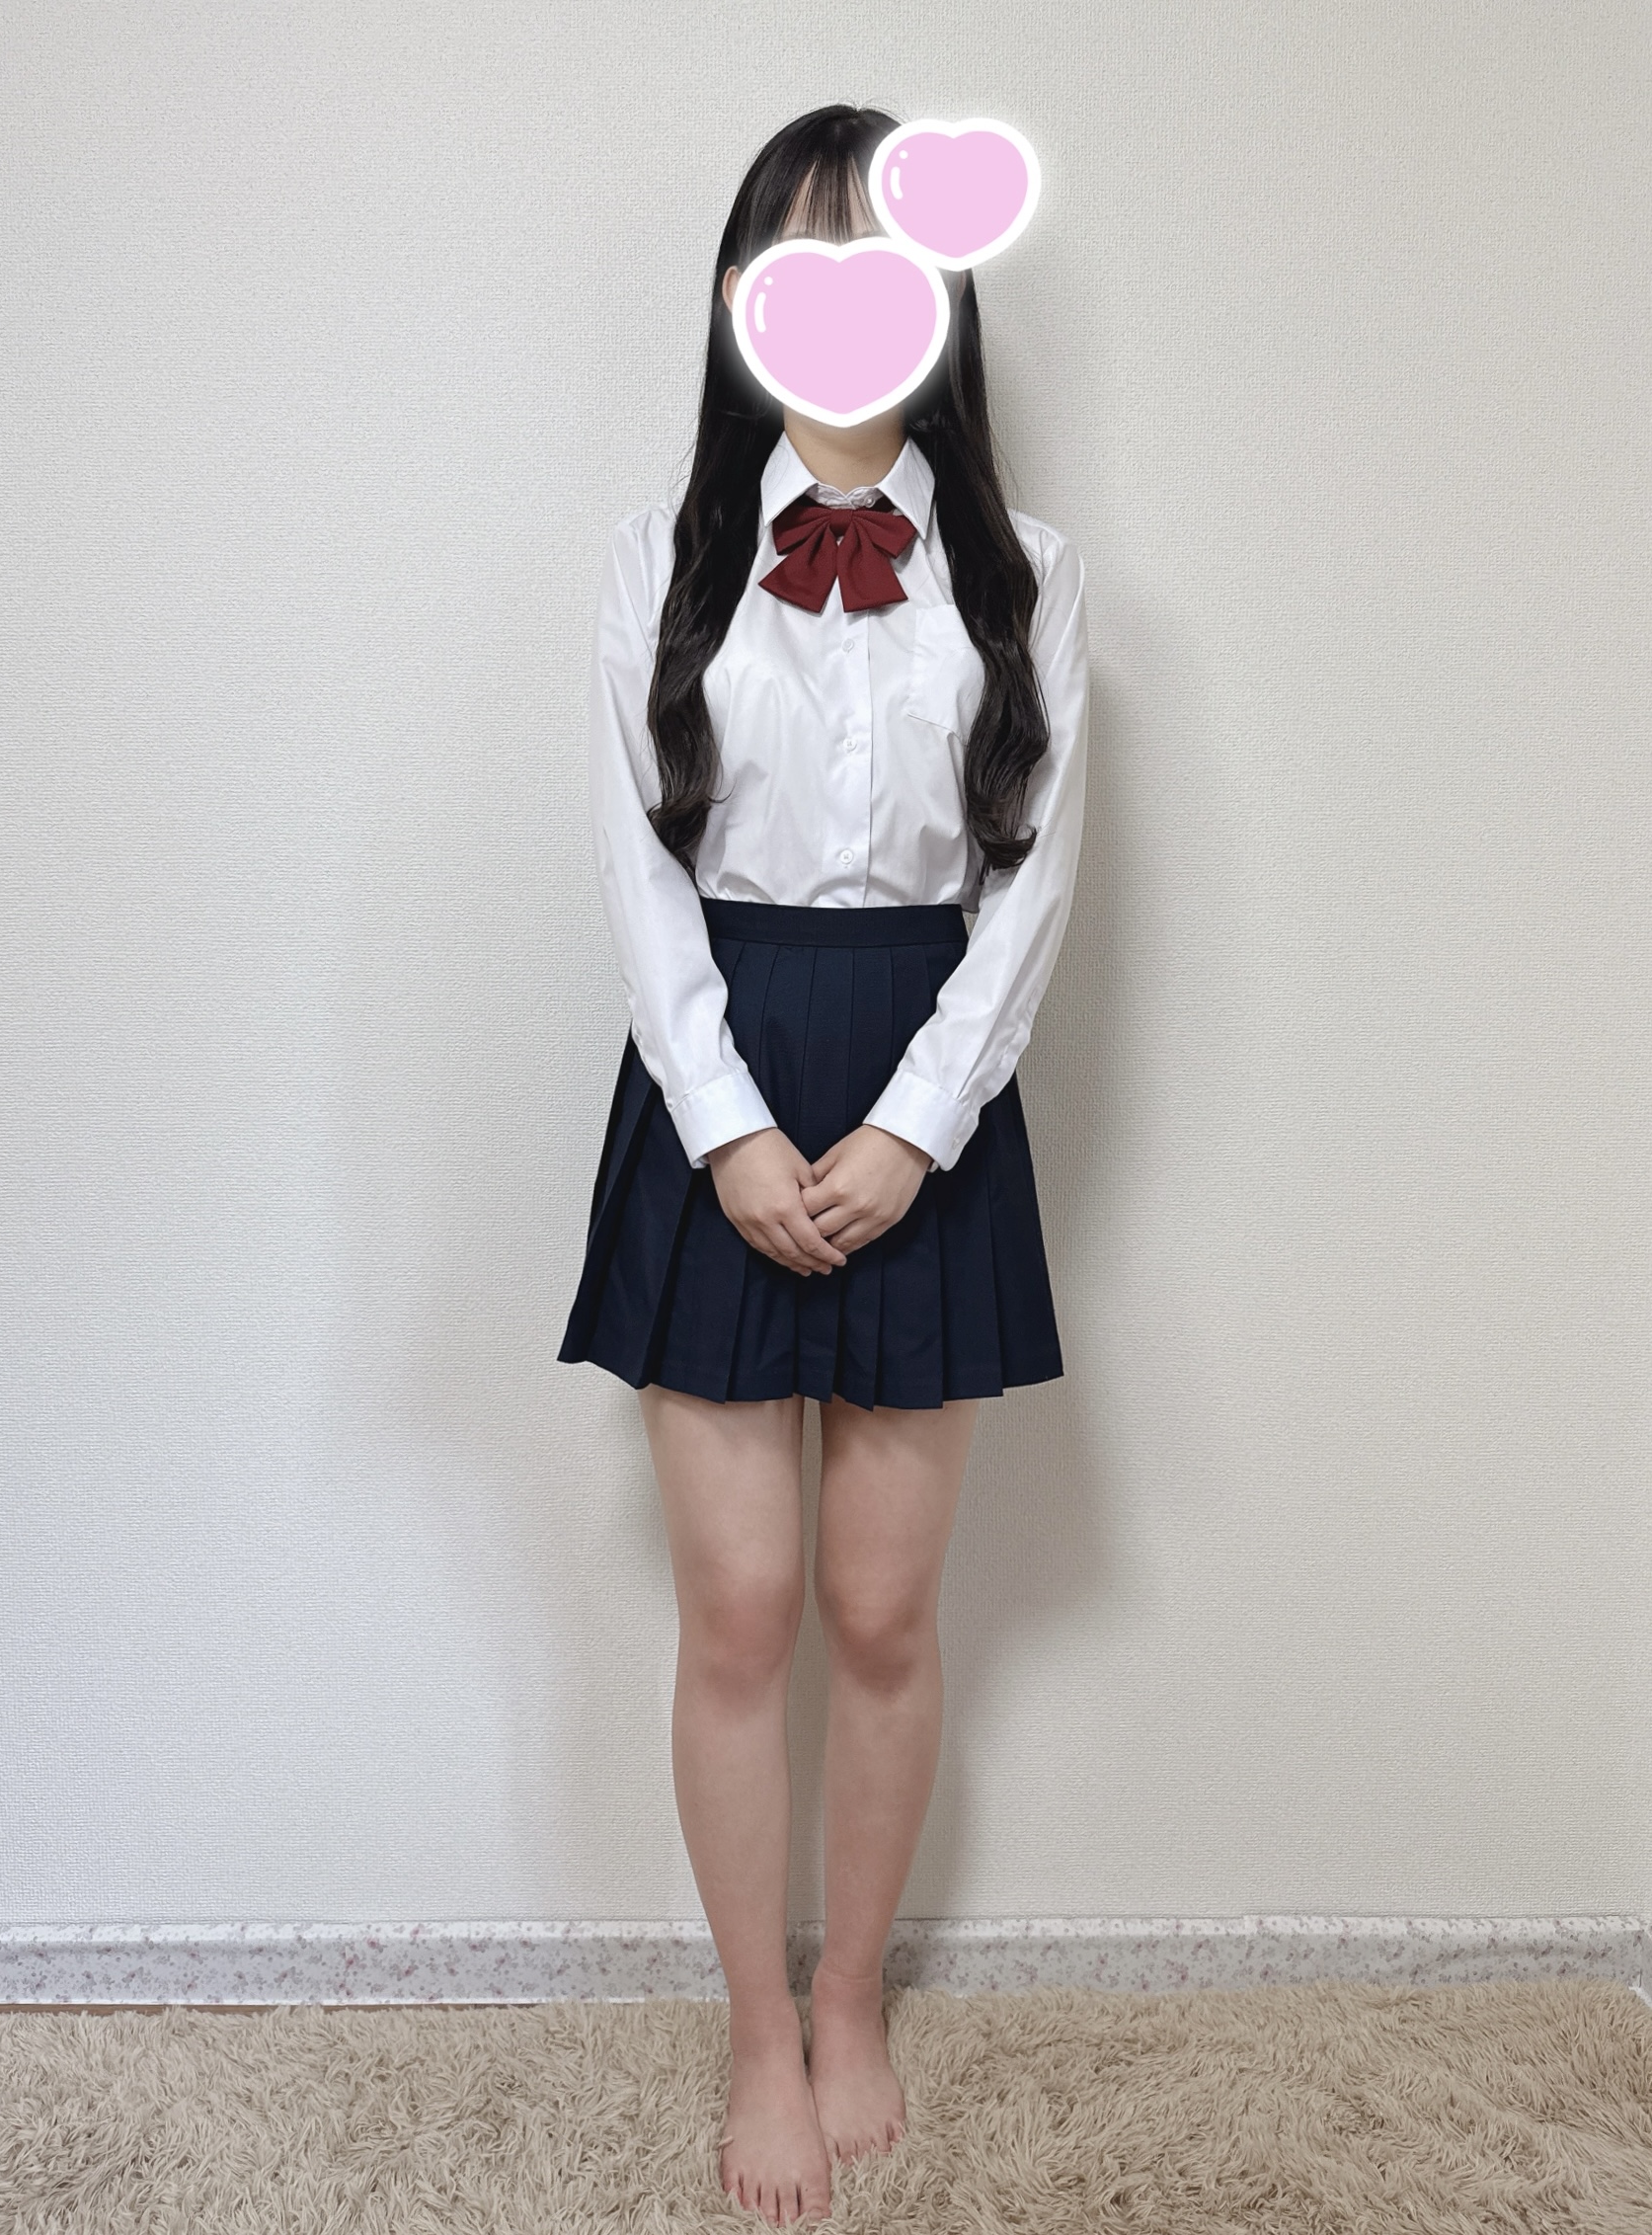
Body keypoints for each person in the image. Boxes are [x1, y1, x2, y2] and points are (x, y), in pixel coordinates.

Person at [557, 103, 1089, 2227]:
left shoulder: (1030, 571)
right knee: (743, 1606)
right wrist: (725, 1127)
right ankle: (755, 2029)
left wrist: (907, 1127)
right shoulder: (656, 562)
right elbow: (636, 876)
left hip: (922, 1086)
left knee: (878, 1606)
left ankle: (851, 1993)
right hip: (714, 1079)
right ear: (733, 298)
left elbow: (1032, 893)